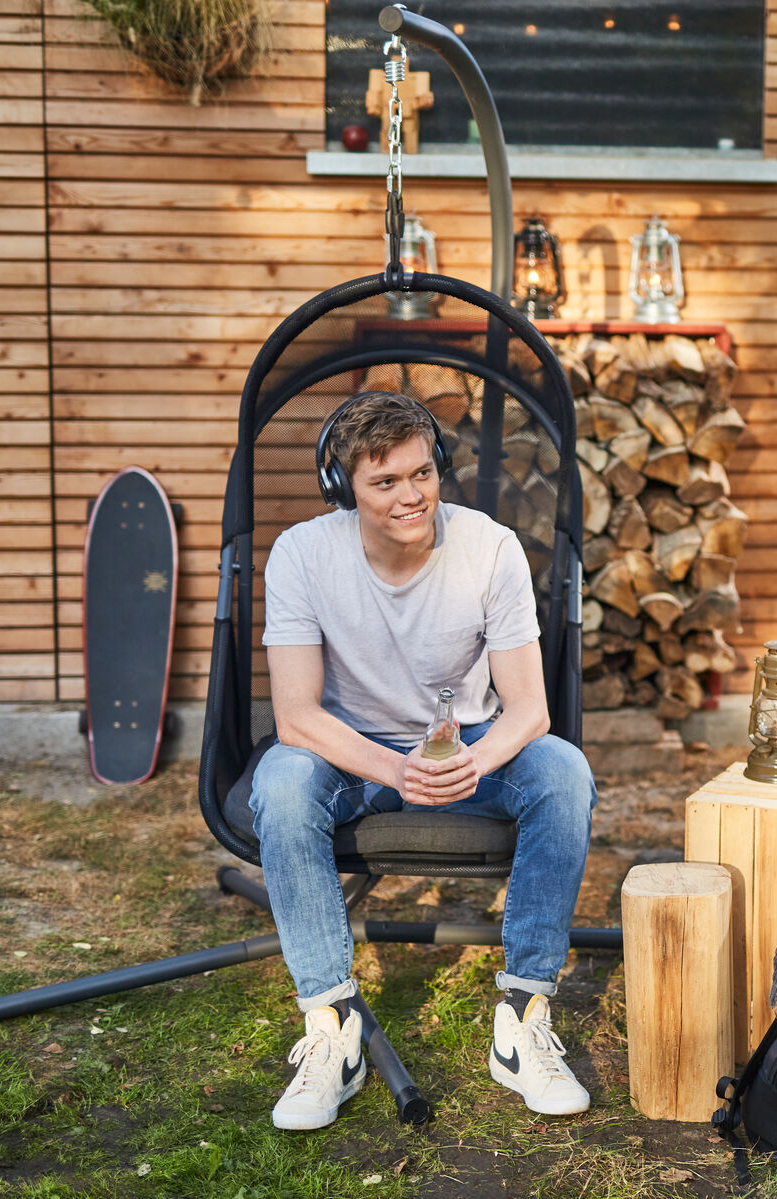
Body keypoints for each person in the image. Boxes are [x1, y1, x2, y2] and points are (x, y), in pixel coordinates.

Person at [249, 390, 598, 1130]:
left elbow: (530, 710)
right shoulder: (303, 555)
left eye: (422, 474)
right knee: (280, 777)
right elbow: (297, 716)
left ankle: (523, 1016)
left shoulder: (489, 547)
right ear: (346, 487)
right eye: (386, 482)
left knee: (563, 769)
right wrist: (392, 767)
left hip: (466, 755)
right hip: (355, 766)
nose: (412, 496)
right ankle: (331, 1030)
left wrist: (474, 759)